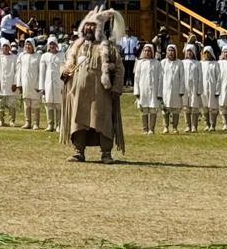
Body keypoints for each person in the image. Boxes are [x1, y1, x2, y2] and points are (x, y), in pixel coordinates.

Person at [59, 9, 125, 163]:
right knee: (79, 121)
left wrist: (116, 88)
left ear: (99, 29)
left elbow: (120, 68)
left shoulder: (108, 48)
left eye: (93, 26)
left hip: (101, 94)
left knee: (102, 120)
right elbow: (66, 64)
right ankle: (78, 151)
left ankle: (106, 154)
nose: (89, 28)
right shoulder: (76, 47)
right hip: (78, 94)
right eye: (87, 25)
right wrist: (64, 72)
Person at [38, 37, 64, 132]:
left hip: (59, 83)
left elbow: (65, 71)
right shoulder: (44, 56)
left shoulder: (62, 56)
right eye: (50, 44)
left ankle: (59, 125)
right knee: (49, 104)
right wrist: (42, 87)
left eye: (53, 44)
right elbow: (42, 72)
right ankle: (50, 125)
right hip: (48, 83)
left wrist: (64, 85)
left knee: (59, 104)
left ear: (56, 45)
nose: (52, 46)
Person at [134, 43, 160, 135]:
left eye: (149, 51)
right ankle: (145, 129)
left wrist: (159, 92)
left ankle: (151, 129)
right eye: (145, 50)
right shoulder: (140, 63)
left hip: (154, 89)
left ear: (152, 52)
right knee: (144, 108)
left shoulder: (157, 63)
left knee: (153, 109)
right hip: (143, 89)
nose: (147, 52)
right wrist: (137, 91)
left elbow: (160, 78)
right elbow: (136, 78)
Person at [0, 39, 18, 128]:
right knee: (0, 104)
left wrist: (15, 83)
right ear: (1, 48)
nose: (5, 48)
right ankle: (1, 121)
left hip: (11, 84)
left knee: (12, 103)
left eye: (7, 46)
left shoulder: (14, 57)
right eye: (4, 46)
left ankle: (12, 121)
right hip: (1, 84)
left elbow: (16, 71)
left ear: (10, 48)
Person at [17, 39, 41, 130]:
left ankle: (36, 123)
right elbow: (19, 71)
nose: (28, 46)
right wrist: (19, 84)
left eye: (29, 45)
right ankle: (27, 122)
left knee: (35, 104)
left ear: (33, 46)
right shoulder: (22, 56)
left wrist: (39, 85)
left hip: (35, 84)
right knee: (26, 103)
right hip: (25, 83)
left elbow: (40, 72)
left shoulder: (38, 56)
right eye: (26, 45)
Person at [160, 44, 185, 133]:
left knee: (175, 109)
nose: (171, 52)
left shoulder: (179, 63)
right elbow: (160, 77)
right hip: (165, 89)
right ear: (166, 52)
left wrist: (182, 90)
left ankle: (175, 127)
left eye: (173, 50)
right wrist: (159, 92)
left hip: (176, 90)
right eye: (169, 50)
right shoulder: (163, 63)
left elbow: (182, 77)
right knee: (165, 109)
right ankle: (165, 127)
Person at [182, 44, 203, 133]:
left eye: (191, 51)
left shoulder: (198, 63)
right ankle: (188, 125)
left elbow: (200, 77)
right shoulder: (182, 63)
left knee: (194, 107)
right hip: (185, 87)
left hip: (194, 87)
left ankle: (194, 126)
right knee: (186, 107)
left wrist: (199, 89)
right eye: (188, 51)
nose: (189, 53)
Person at [201, 47, 221, 131]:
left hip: (212, 88)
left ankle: (213, 125)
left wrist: (217, 90)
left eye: (209, 53)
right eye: (205, 53)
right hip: (203, 88)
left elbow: (219, 78)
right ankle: (207, 124)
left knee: (213, 107)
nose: (207, 55)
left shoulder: (215, 64)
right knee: (205, 106)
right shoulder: (201, 64)